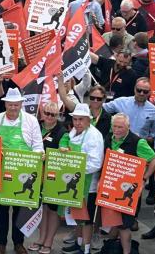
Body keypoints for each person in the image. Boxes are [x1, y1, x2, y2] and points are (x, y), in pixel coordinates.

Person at [0, 88, 44, 254]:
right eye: (10, 105)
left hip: (23, 172)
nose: (13, 108)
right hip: (2, 173)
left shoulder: (31, 121)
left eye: (16, 105)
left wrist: (37, 157)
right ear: (5, 104)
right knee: (1, 210)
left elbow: (38, 146)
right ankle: (1, 243)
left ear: (21, 104)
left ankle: (18, 243)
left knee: (20, 210)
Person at [104, 113, 155, 252]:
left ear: (128, 127)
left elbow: (153, 160)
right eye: (115, 126)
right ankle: (111, 247)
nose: (117, 130)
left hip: (129, 190)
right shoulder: (109, 138)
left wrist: (143, 178)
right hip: (111, 187)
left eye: (120, 127)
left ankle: (126, 251)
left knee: (124, 225)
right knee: (115, 221)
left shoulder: (138, 142)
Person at [58, 104, 105, 254]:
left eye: (81, 120)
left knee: (86, 220)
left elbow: (96, 163)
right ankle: (78, 244)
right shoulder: (74, 131)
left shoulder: (94, 135)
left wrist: (75, 169)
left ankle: (86, 250)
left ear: (88, 120)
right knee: (77, 217)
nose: (77, 122)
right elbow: (66, 141)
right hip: (75, 182)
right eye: (75, 119)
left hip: (87, 184)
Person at [28, 102, 66, 254]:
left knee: (52, 209)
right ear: (42, 113)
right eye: (47, 113)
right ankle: (41, 238)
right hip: (36, 175)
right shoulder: (36, 125)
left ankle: (49, 241)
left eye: (53, 114)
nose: (49, 117)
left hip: (52, 175)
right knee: (41, 208)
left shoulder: (62, 132)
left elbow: (64, 148)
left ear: (58, 116)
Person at [103, 78, 155, 144]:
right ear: (134, 89)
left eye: (145, 91)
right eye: (139, 90)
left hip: (139, 147)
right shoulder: (122, 102)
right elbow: (100, 108)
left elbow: (153, 135)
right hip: (118, 144)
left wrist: (143, 140)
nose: (141, 93)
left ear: (150, 92)